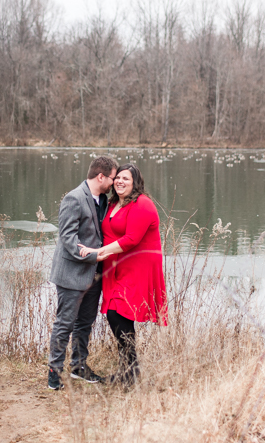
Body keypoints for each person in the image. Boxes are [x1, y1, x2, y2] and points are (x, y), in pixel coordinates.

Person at [79, 163, 167, 387]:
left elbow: (131, 240)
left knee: (117, 313)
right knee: (117, 313)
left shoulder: (142, 204)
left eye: (125, 179)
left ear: (135, 182)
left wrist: (97, 253)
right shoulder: (113, 203)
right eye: (117, 177)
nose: (119, 181)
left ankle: (130, 372)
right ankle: (129, 371)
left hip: (137, 265)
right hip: (115, 265)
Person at [47, 156, 118, 391]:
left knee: (85, 323)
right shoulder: (74, 198)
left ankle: (78, 367)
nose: (114, 182)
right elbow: (67, 238)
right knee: (65, 323)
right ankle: (54, 373)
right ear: (101, 176)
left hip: (94, 275)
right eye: (112, 178)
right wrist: (93, 255)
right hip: (72, 273)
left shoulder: (104, 200)